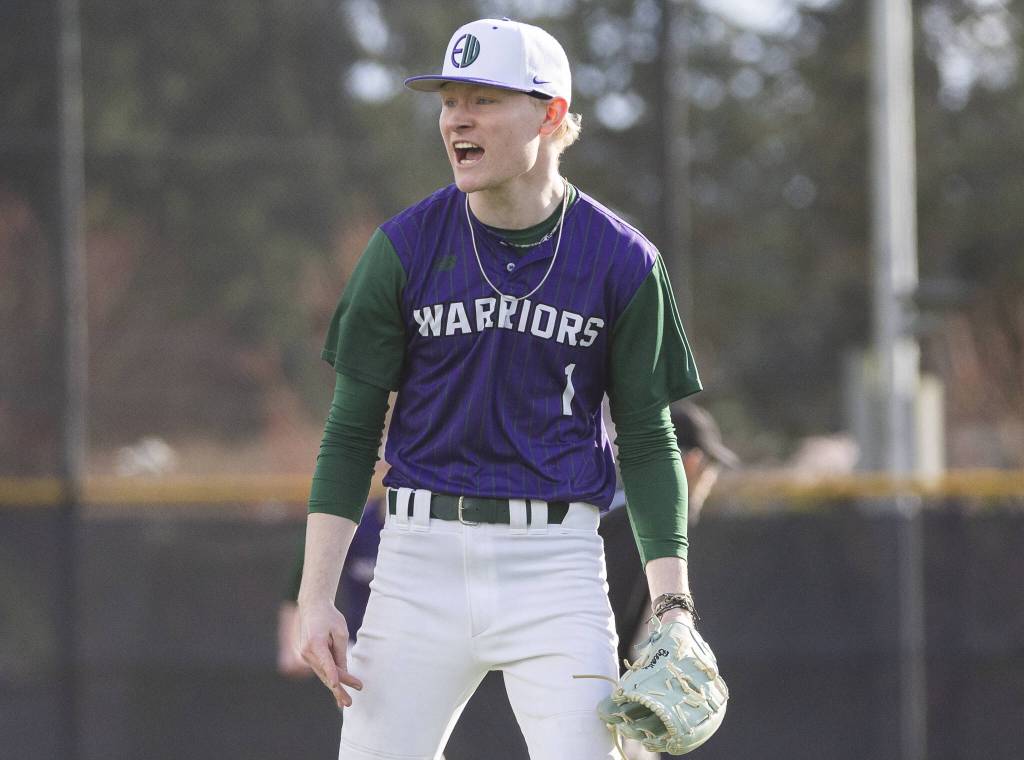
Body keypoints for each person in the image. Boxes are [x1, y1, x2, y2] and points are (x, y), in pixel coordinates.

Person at [297, 18, 717, 760]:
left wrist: (673, 607)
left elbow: (649, 441)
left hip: (556, 566)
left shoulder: (622, 261)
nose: (456, 117)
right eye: (449, 99)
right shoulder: (403, 249)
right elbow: (350, 432)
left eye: (484, 98)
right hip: (417, 558)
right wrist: (316, 595)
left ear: (551, 114)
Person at [601, 401, 737, 760]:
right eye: (710, 465)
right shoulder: (642, 525)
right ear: (691, 462)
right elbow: (611, 617)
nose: (710, 477)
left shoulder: (618, 507)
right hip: (598, 689)